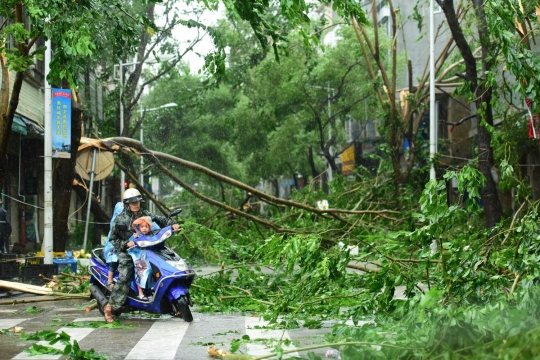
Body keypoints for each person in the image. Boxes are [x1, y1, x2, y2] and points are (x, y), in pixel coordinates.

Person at [103, 188, 180, 323]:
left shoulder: (145, 214)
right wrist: (126, 244)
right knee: (125, 275)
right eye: (132, 202)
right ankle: (110, 307)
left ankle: (169, 302)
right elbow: (113, 239)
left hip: (146, 248)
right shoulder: (120, 219)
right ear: (127, 204)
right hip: (127, 252)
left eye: (137, 201)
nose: (135, 204)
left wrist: (172, 225)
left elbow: (160, 219)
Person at [129, 216, 159, 301]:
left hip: (151, 257)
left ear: (149, 227)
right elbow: (130, 244)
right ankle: (140, 292)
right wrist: (133, 239)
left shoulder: (152, 236)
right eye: (142, 227)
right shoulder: (137, 236)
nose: (144, 228)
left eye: (146, 226)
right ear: (138, 228)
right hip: (140, 258)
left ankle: (151, 289)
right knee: (142, 271)